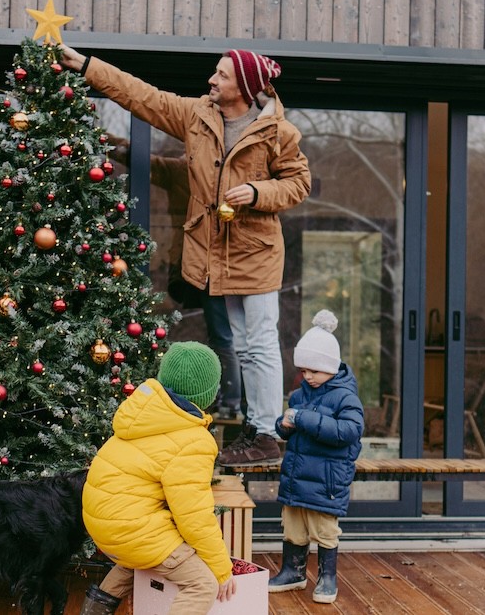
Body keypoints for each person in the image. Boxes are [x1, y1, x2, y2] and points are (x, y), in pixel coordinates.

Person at [59, 44, 311, 467]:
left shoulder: (276, 133)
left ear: (245, 88)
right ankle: (256, 427)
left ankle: (266, 433)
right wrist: (86, 66)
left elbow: (298, 183)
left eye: (222, 75)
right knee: (239, 342)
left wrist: (256, 192)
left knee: (260, 342)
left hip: (257, 251)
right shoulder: (198, 116)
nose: (212, 80)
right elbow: (142, 96)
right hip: (214, 252)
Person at [80, 342, 237, 615]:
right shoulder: (193, 440)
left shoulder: (140, 413)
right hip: (130, 527)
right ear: (208, 394)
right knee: (203, 584)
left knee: (136, 557)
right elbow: (194, 516)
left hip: (103, 525)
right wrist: (222, 569)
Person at [268, 310, 364, 604]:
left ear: (331, 367)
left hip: (326, 479)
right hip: (297, 476)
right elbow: (291, 426)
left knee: (324, 529)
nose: (307, 376)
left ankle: (326, 577)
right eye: (304, 370)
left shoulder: (346, 397)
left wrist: (303, 419)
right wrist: (282, 426)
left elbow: (349, 431)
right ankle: (292, 571)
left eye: (314, 371)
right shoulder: (299, 395)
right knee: (293, 526)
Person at [153, 154, 243, 420]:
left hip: (211, 266)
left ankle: (230, 401)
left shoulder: (188, 169)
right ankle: (227, 399)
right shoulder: (191, 170)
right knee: (223, 334)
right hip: (203, 264)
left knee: (224, 335)